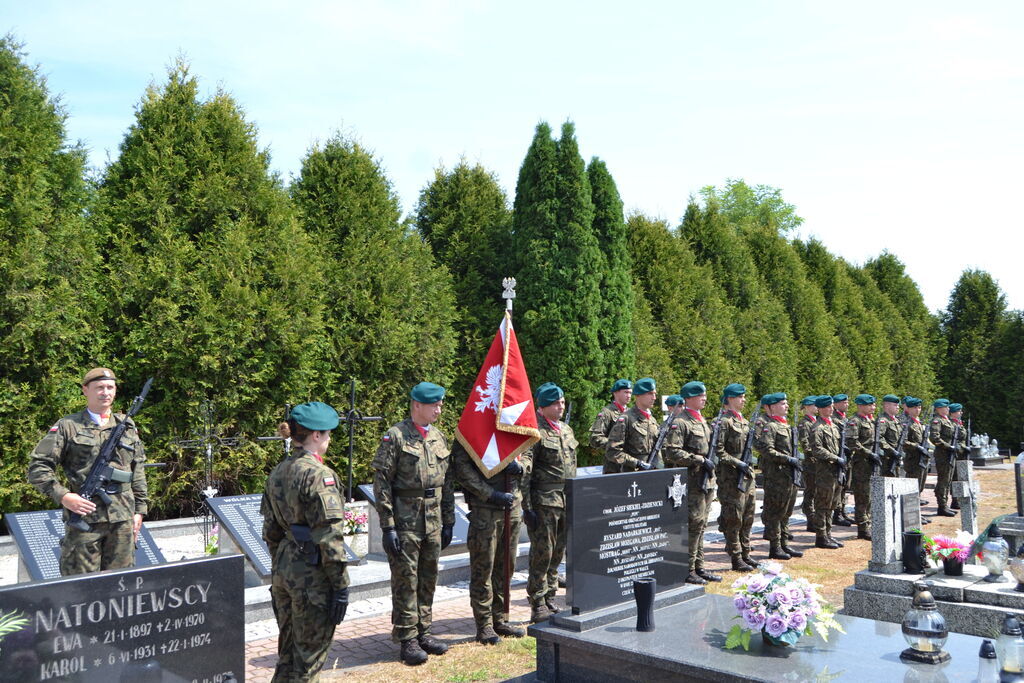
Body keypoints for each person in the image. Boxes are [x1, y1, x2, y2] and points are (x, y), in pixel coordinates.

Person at [28, 367, 148, 576]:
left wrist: (140, 511)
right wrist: (64, 496)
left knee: (121, 587)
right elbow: (38, 467)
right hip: (85, 520)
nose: (105, 392)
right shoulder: (68, 426)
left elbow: (136, 468)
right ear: (85, 390)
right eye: (99, 387)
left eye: (110, 387)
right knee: (80, 588)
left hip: (122, 520)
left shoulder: (126, 425)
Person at [261, 401, 350, 682]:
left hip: (285, 569)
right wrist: (340, 585)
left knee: (287, 656)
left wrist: (281, 566)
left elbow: (271, 530)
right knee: (308, 663)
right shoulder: (319, 476)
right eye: (327, 434)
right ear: (315, 435)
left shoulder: (279, 471)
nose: (329, 439)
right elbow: (329, 537)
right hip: (312, 576)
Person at [372, 382, 455, 666]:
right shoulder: (395, 436)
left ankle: (424, 632)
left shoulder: (439, 437)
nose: (439, 409)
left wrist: (449, 520)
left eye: (440, 404)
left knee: (429, 577)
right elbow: (382, 483)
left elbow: (447, 482)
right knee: (406, 580)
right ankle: (407, 638)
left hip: (432, 519)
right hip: (406, 521)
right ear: (417, 405)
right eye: (434, 405)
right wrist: (388, 526)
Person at [452, 435, 525, 644]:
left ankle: (500, 618)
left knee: (506, 567)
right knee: (483, 569)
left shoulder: (513, 423)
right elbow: (463, 470)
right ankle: (484, 625)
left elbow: (528, 450)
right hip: (486, 510)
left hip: (512, 508)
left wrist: (521, 468)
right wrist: (490, 494)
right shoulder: (473, 428)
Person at [520, 382, 578, 624]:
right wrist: (527, 507)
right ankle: (537, 601)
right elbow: (526, 473)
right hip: (544, 502)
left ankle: (551, 595)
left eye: (562, 402)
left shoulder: (566, 430)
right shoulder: (535, 433)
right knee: (542, 553)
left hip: (567, 499)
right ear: (542, 407)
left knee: (558, 552)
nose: (561, 406)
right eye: (555, 403)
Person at [663, 382, 720, 584]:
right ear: (688, 398)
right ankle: (687, 568)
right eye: (700, 396)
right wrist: (700, 460)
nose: (704, 398)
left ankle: (699, 566)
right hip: (693, 480)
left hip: (707, 480)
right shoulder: (681, 422)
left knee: (702, 524)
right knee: (693, 524)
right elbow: (673, 452)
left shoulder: (702, 420)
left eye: (704, 395)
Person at [714, 383, 757, 572]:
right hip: (731, 479)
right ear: (730, 398)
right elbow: (719, 451)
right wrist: (737, 463)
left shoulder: (744, 421)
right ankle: (736, 556)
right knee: (734, 518)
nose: (744, 400)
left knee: (748, 516)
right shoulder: (723, 422)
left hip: (747, 477)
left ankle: (746, 553)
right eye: (740, 397)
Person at [755, 393, 804, 560]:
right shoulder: (770, 426)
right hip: (777, 475)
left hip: (789, 475)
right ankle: (775, 547)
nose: (787, 406)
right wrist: (788, 459)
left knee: (786, 511)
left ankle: (784, 544)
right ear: (772, 407)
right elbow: (766, 449)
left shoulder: (786, 426)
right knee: (776, 512)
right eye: (783, 403)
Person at [810, 395, 844, 550]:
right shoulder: (817, 427)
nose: (832, 409)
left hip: (835, 471)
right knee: (823, 505)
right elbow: (816, 449)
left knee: (832, 504)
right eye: (829, 407)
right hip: (825, 472)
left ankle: (828, 534)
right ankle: (821, 536)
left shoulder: (833, 426)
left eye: (832, 406)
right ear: (822, 409)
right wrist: (835, 458)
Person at [604, 378, 659, 473]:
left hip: (651, 473)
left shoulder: (652, 420)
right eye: (650, 394)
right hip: (632, 474)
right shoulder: (626, 419)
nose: (654, 397)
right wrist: (637, 463)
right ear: (638, 395)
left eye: (655, 394)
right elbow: (613, 451)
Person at [848, 394, 879, 540]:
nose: (873, 407)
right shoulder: (855, 421)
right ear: (860, 406)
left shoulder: (870, 421)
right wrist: (869, 453)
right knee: (862, 496)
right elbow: (852, 442)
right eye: (869, 405)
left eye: (873, 405)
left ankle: (868, 523)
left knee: (870, 495)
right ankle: (862, 527)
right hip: (861, 463)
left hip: (870, 463)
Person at [900, 397, 930, 524]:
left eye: (919, 407)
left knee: (919, 488)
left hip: (921, 459)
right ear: (909, 408)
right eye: (915, 408)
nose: (918, 410)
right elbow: (903, 441)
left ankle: (917, 513)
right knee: (912, 489)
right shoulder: (907, 423)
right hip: (912, 460)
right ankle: (910, 514)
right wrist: (917, 446)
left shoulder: (918, 422)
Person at [591, 379, 632, 464]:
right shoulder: (606, 413)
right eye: (626, 392)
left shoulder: (631, 413)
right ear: (616, 393)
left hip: (629, 464)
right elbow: (595, 438)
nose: (629, 396)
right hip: (613, 464)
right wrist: (615, 445)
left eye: (630, 393)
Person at [929, 398, 957, 517]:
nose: (948, 409)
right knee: (943, 481)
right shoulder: (937, 421)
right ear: (939, 409)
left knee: (948, 480)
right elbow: (934, 438)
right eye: (946, 407)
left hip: (950, 453)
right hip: (943, 454)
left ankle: (944, 505)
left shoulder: (948, 420)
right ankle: (942, 506)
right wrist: (948, 446)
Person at [831, 393, 854, 528]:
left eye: (847, 402)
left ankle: (843, 511)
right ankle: (837, 513)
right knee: (839, 486)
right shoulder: (834, 419)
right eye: (844, 402)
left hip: (847, 457)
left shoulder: (845, 419)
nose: (847, 404)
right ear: (836, 404)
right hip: (840, 456)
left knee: (845, 486)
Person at [798, 396, 819, 532]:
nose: (817, 407)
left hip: (819, 462)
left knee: (817, 491)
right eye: (814, 405)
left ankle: (814, 518)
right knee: (811, 491)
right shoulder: (805, 423)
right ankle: (810, 519)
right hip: (811, 462)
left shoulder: (816, 421)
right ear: (807, 407)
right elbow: (805, 444)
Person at [949, 403, 969, 509]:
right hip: (956, 454)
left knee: (961, 477)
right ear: (952, 413)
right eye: (959, 411)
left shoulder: (959, 424)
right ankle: (955, 500)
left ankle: (959, 498)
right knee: (955, 477)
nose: (961, 413)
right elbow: (955, 441)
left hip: (962, 454)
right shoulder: (951, 425)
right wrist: (963, 447)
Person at [878, 395, 904, 478]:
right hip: (886, 458)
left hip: (896, 458)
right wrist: (892, 450)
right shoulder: (883, 420)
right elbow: (879, 438)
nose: (898, 407)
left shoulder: (896, 421)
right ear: (887, 405)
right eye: (895, 405)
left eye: (898, 405)